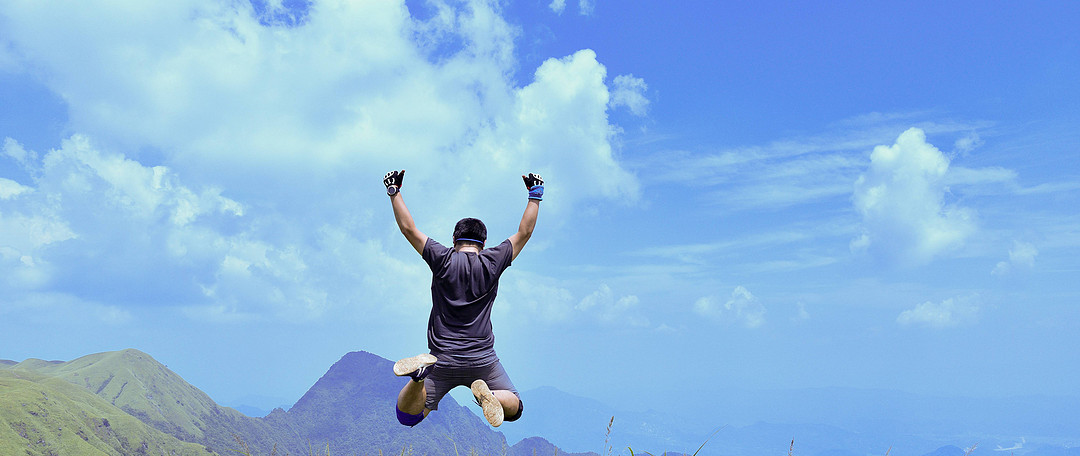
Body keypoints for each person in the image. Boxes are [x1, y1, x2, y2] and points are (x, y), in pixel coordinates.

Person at [385, 169, 544, 428]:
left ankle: (418, 378)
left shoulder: (442, 258)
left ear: (454, 240)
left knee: (407, 417)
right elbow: (524, 232)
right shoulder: (494, 260)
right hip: (482, 360)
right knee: (514, 406)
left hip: (441, 359)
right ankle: (490, 396)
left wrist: (394, 190)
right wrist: (534, 195)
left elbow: (408, 229)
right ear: (483, 242)